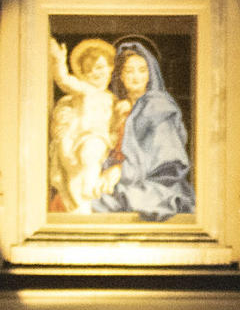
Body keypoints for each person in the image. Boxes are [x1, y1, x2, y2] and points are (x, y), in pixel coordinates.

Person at [89, 38, 193, 219]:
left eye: (142, 70)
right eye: (129, 71)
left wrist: (122, 171)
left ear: (150, 74)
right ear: (119, 75)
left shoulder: (158, 106)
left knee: (107, 203)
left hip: (155, 184)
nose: (136, 76)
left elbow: (166, 158)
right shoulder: (114, 107)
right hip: (110, 177)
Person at [47, 37, 117, 214]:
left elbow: (116, 124)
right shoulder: (84, 90)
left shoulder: (111, 98)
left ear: (110, 68)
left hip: (100, 139)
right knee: (75, 173)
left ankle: (88, 193)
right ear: (84, 74)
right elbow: (63, 80)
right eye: (89, 69)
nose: (95, 72)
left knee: (91, 155)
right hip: (80, 137)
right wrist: (58, 61)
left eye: (100, 67)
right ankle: (78, 202)